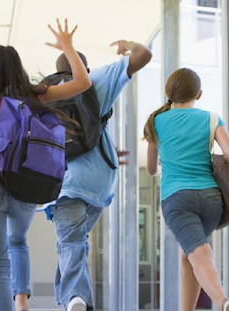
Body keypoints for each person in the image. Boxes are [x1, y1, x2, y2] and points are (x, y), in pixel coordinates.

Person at [0, 20, 92, 311]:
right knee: (18, 241)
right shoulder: (35, 96)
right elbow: (83, 83)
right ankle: (22, 301)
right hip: (25, 183)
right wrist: (68, 48)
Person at [44, 40, 151, 311]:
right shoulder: (95, 80)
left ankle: (74, 299)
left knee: (71, 242)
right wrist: (127, 46)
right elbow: (144, 55)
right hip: (99, 182)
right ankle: (79, 302)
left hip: (61, 181)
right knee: (74, 243)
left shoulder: (43, 92)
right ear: (85, 67)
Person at [144, 68, 229, 311]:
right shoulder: (210, 118)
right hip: (211, 200)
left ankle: (221, 300)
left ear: (169, 93)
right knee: (189, 257)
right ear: (199, 94)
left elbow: (151, 169)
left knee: (198, 254)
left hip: (177, 199)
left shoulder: (156, 121)